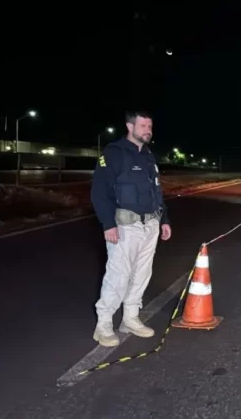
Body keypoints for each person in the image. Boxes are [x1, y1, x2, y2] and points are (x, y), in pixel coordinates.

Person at [90, 111, 172, 346]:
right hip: (125, 225)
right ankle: (103, 324)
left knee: (141, 275)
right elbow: (99, 192)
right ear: (129, 126)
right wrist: (108, 224)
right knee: (118, 275)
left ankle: (130, 318)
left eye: (151, 126)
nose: (148, 130)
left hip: (150, 225)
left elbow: (157, 191)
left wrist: (164, 219)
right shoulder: (114, 153)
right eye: (144, 125)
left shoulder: (148, 156)